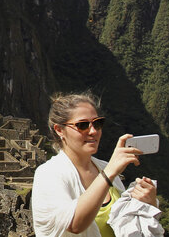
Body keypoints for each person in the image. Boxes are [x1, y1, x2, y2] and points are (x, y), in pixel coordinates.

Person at [32, 93, 158, 237]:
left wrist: (148, 204)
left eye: (97, 123)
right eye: (82, 125)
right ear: (60, 130)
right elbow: (74, 225)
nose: (93, 131)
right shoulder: (48, 174)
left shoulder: (104, 169)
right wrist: (109, 172)